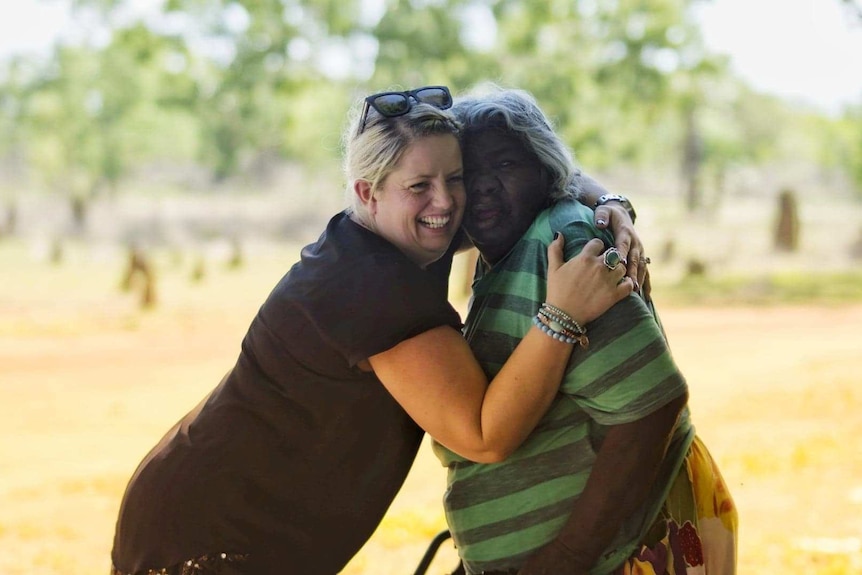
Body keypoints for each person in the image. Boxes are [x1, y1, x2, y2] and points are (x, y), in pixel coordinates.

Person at [109, 86, 639, 575]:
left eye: (455, 177)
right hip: (209, 529)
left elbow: (530, 163)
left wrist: (610, 202)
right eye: (420, 186)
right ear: (368, 191)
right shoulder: (369, 284)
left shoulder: (403, 235)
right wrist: (562, 314)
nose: (447, 201)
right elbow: (484, 435)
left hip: (216, 498)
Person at [433, 85, 738, 575]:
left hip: (623, 552)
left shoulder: (565, 242)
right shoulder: (504, 251)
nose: (485, 185)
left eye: (506, 165)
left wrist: (567, 558)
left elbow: (652, 407)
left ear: (548, 173)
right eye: (469, 172)